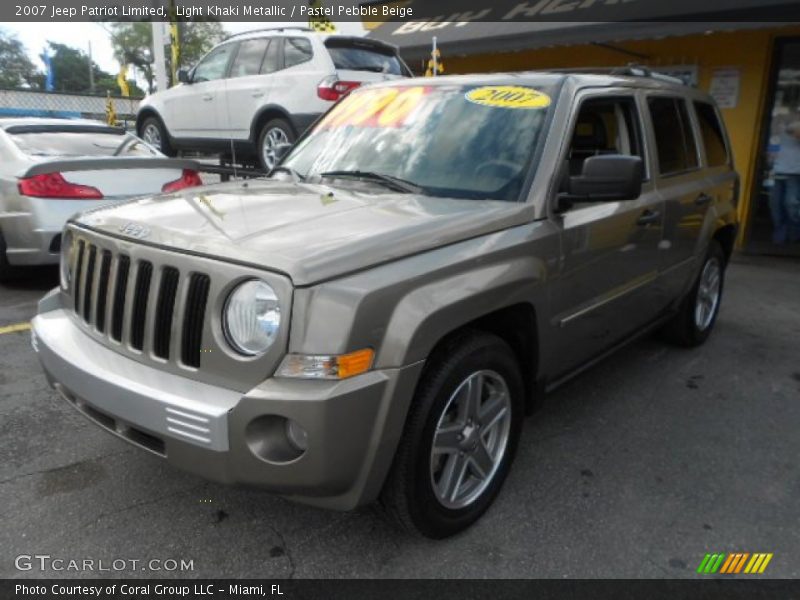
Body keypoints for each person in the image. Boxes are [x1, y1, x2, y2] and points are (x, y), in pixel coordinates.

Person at [770, 119, 800, 244]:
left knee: (791, 204)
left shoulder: (795, 135)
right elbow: (771, 154)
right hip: (776, 173)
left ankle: (794, 232)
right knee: (775, 205)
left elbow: (796, 130)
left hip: (795, 174)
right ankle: (781, 233)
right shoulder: (776, 138)